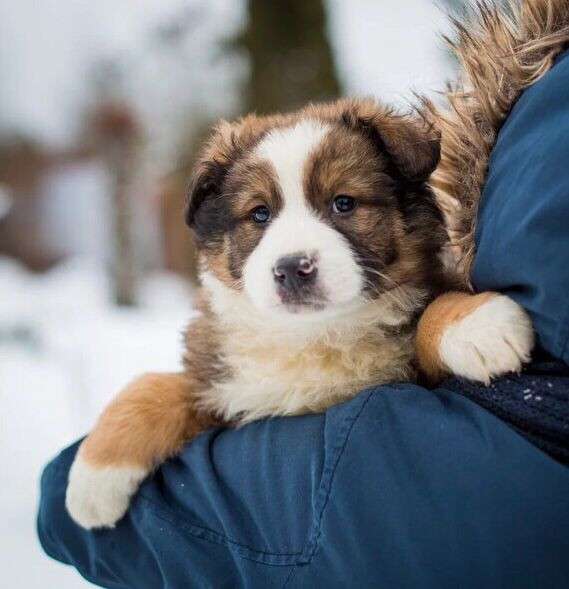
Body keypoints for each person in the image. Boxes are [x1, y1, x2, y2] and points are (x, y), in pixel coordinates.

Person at [37, 48, 569, 589]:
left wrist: (447, 323)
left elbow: (435, 363)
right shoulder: (220, 361)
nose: (293, 255)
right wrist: (133, 423)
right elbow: (201, 401)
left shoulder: (420, 309)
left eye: (343, 203)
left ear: (410, 206)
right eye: (260, 215)